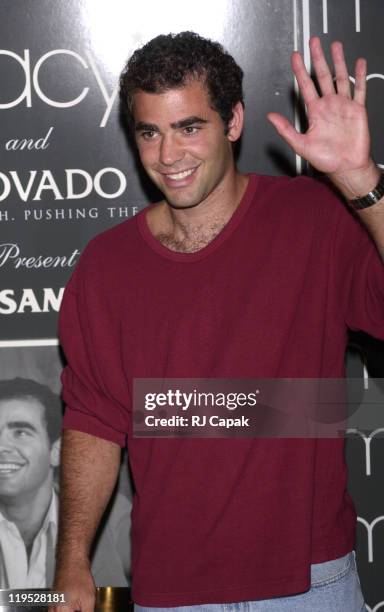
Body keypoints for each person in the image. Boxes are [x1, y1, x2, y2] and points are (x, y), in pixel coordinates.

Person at [53, 32, 384, 611]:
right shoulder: (106, 266)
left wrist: (361, 184)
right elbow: (94, 420)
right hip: (174, 589)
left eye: (190, 127)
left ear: (233, 121)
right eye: (149, 132)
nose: (168, 156)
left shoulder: (313, 220)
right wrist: (72, 561)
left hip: (311, 584)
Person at [0, 378, 131, 589]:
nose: (2, 446)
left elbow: (168, 570)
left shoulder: (108, 511)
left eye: (21, 432)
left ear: (55, 451)